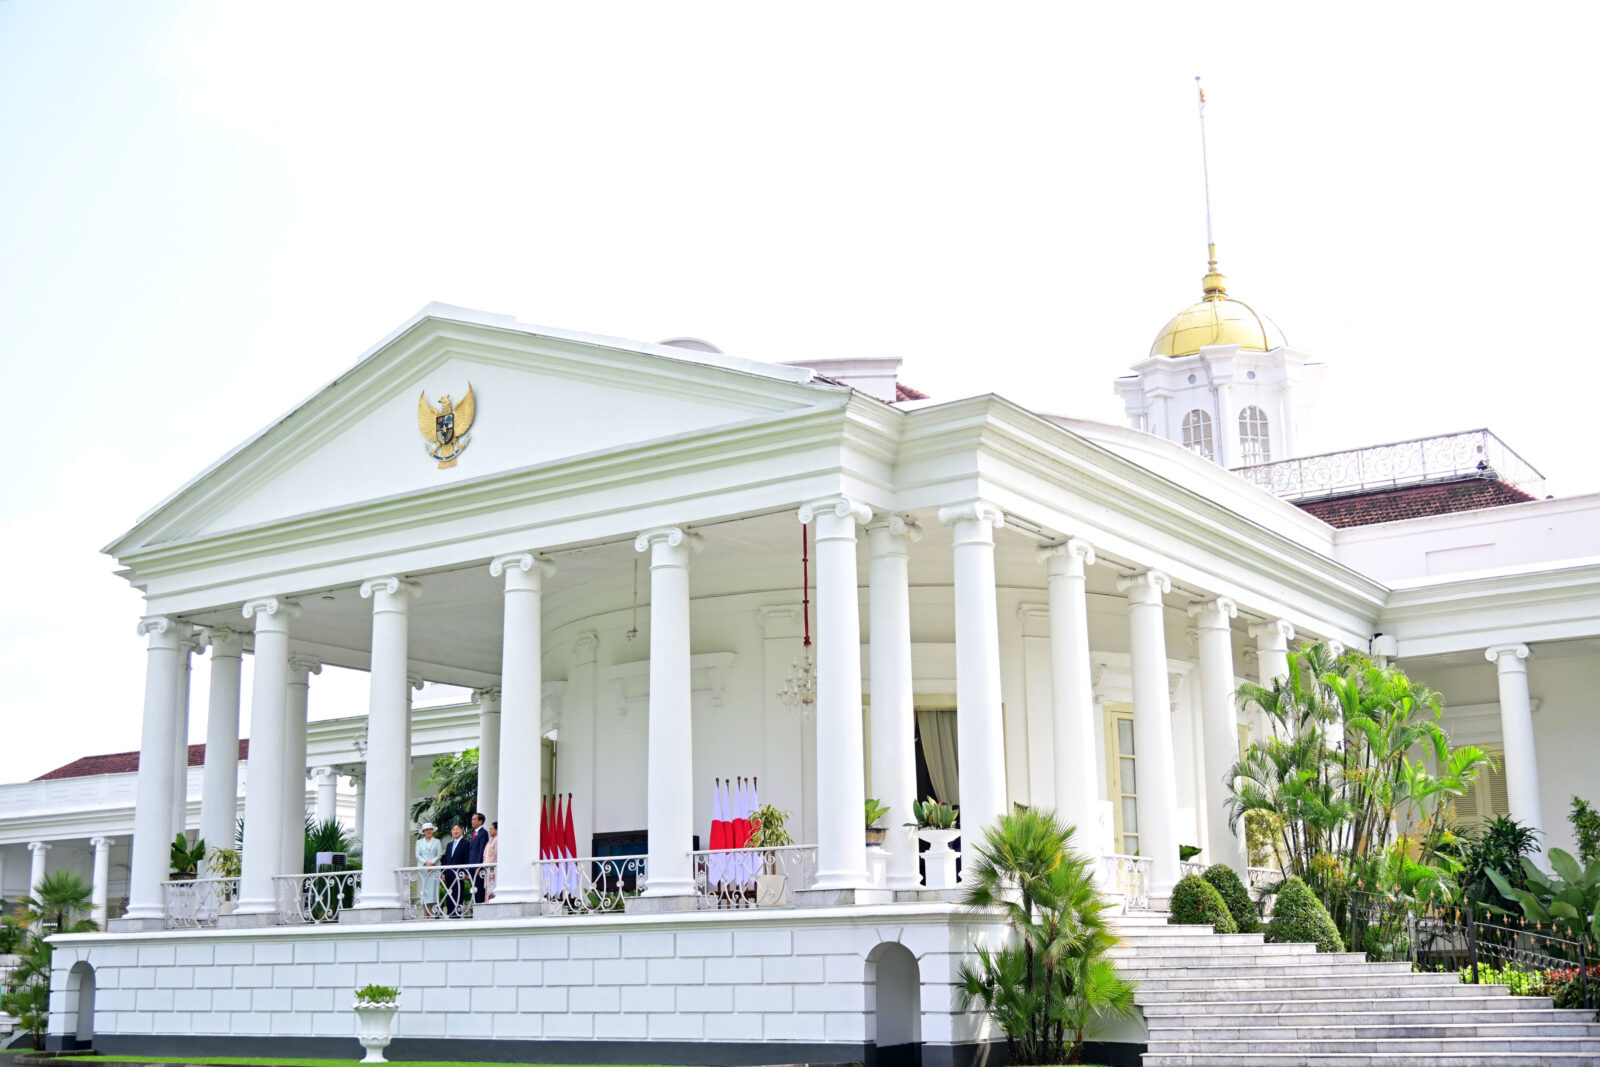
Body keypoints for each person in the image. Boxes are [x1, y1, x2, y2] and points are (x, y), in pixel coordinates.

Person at [441, 822, 471, 917]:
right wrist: (443, 873)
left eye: (457, 829)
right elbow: (445, 859)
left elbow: (467, 858)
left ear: (461, 831)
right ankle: (450, 915)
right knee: (449, 895)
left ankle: (457, 915)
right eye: (453, 830)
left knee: (458, 894)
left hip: (459, 874)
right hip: (449, 874)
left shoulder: (466, 843)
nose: (455, 831)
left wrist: (466, 872)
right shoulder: (449, 845)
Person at [414, 823, 442, 916]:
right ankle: (425, 915)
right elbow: (417, 855)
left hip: (434, 869)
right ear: (423, 832)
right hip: (423, 870)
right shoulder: (419, 842)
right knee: (424, 891)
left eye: (430, 829)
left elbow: (439, 854)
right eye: (426, 830)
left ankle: (433, 915)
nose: (429, 831)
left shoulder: (437, 841)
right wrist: (426, 862)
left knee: (433, 891)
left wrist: (431, 862)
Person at [468, 812, 490, 903]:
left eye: (474, 819)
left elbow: (482, 850)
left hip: (478, 868)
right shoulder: (474, 833)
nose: (472, 821)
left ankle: (480, 907)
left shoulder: (483, 833)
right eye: (472, 819)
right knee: (474, 890)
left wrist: (478, 866)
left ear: (480, 821)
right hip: (472, 867)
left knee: (479, 890)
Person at [483, 821, 499, 900]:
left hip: (494, 871)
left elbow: (498, 855)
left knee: (493, 892)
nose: (489, 830)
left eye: (491, 829)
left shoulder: (498, 840)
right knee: (488, 893)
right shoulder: (490, 841)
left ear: (497, 830)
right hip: (488, 871)